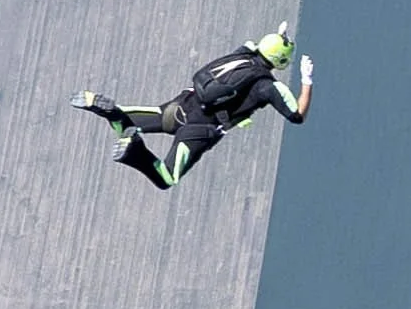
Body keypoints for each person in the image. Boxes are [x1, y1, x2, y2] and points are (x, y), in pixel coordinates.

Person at [75, 28, 312, 190]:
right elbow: (297, 114)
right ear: (280, 60)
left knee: (136, 120)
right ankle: (134, 151)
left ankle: (112, 112)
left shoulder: (243, 54)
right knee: (167, 177)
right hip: (202, 128)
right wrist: (306, 81)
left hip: (184, 104)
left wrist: (280, 35)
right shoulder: (267, 87)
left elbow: (256, 44)